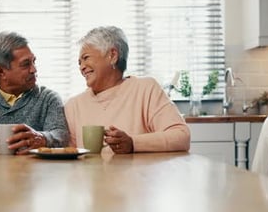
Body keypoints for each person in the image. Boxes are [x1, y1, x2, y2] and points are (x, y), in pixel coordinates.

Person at [64, 26, 190, 154]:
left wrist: (133, 143)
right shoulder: (73, 106)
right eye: (79, 63)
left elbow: (181, 136)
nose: (82, 67)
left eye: (86, 58)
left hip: (138, 174)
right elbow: (70, 156)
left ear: (112, 55)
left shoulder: (146, 89)